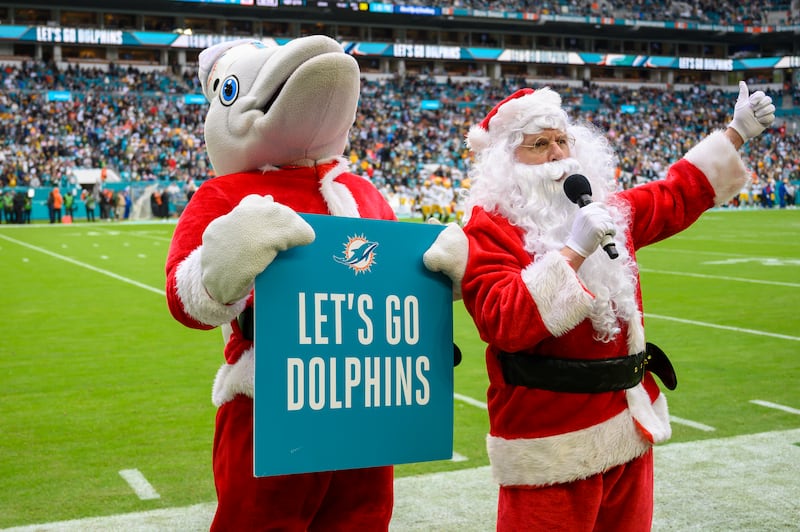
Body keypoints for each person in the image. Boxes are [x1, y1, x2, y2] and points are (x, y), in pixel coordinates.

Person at [164, 36, 465, 530]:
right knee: (260, 519)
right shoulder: (223, 193)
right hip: (271, 398)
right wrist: (227, 258)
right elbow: (186, 297)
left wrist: (443, 274)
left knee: (362, 518)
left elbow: (400, 275)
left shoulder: (362, 191)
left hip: (369, 395)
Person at [458, 82, 774, 531]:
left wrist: (737, 131)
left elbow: (675, 195)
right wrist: (572, 252)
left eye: (562, 139)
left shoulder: (604, 209)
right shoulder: (489, 228)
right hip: (550, 442)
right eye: (539, 144)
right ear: (507, 161)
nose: (556, 153)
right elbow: (501, 320)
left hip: (628, 425)